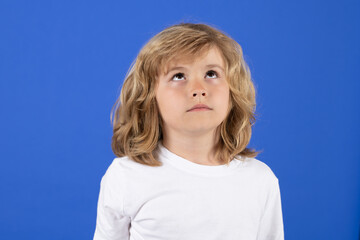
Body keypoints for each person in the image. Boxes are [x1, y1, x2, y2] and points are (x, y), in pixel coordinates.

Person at [93, 22, 284, 240]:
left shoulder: (260, 180)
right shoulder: (126, 177)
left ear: (233, 91)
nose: (198, 90)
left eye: (211, 74)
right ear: (149, 97)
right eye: (178, 76)